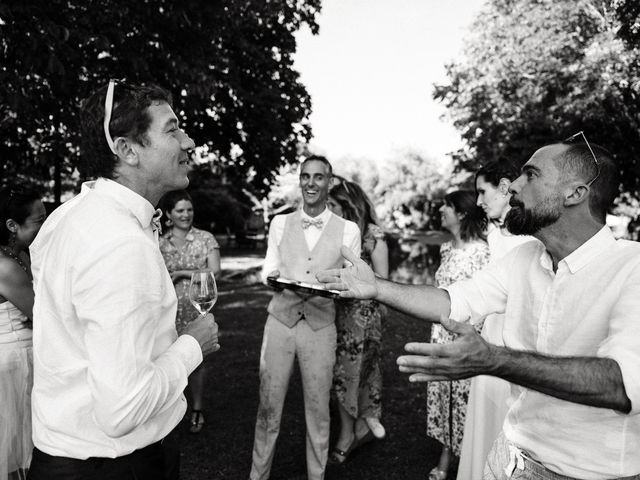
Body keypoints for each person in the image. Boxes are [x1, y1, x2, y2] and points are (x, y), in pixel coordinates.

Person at [318, 140, 640, 479]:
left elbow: (623, 384)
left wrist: (494, 360)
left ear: (574, 193)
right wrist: (378, 287)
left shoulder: (633, 267)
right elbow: (455, 300)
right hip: (508, 458)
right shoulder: (523, 258)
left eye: (530, 175)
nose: (513, 185)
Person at [27, 80, 219, 480]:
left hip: (64, 455)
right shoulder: (119, 243)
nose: (188, 141)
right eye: (172, 129)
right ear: (127, 150)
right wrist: (192, 346)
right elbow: (122, 410)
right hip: (114, 464)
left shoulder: (69, 216)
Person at [250, 155, 361, 480]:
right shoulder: (280, 223)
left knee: (317, 409)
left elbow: (351, 280)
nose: (311, 183)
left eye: (319, 177)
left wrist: (330, 286)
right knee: (268, 406)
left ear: (329, 182)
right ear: (300, 180)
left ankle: (316, 475)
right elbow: (268, 267)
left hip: (320, 326)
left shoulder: (348, 230)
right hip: (280, 323)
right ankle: (257, 475)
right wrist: (271, 276)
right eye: (306, 176)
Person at [455, 161, 536, 479]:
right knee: (484, 424)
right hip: (489, 337)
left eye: (482, 192)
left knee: (511, 423)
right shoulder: (491, 234)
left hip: (517, 343)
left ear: (505, 187)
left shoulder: (530, 239)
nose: (478, 201)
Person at [426, 191, 490, 480]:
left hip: (466, 336)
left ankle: (470, 459)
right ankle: (445, 455)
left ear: (462, 213)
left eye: (447, 206)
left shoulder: (483, 253)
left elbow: (485, 302)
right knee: (443, 396)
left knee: (464, 399)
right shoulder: (446, 249)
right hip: (440, 335)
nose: (441, 210)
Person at [326, 178, 389, 464]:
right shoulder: (335, 233)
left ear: (349, 206)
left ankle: (352, 432)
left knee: (359, 374)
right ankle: (354, 428)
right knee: (339, 375)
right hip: (335, 313)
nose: (329, 210)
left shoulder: (372, 235)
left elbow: (383, 283)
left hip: (364, 319)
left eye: (334, 205)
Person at [159, 189, 221, 434]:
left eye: (189, 210)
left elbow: (215, 272)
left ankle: (196, 408)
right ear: (169, 214)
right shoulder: (159, 241)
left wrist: (184, 274)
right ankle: (169, 410)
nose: (186, 215)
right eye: (180, 210)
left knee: (196, 359)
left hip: (197, 308)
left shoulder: (206, 238)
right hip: (167, 312)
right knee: (166, 357)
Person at [0, 187, 46, 480]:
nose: (45, 225)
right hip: (15, 364)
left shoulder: (21, 253)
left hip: (32, 352)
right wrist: (42, 316)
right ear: (12, 225)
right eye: (38, 220)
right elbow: (42, 314)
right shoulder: (4, 266)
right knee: (18, 448)